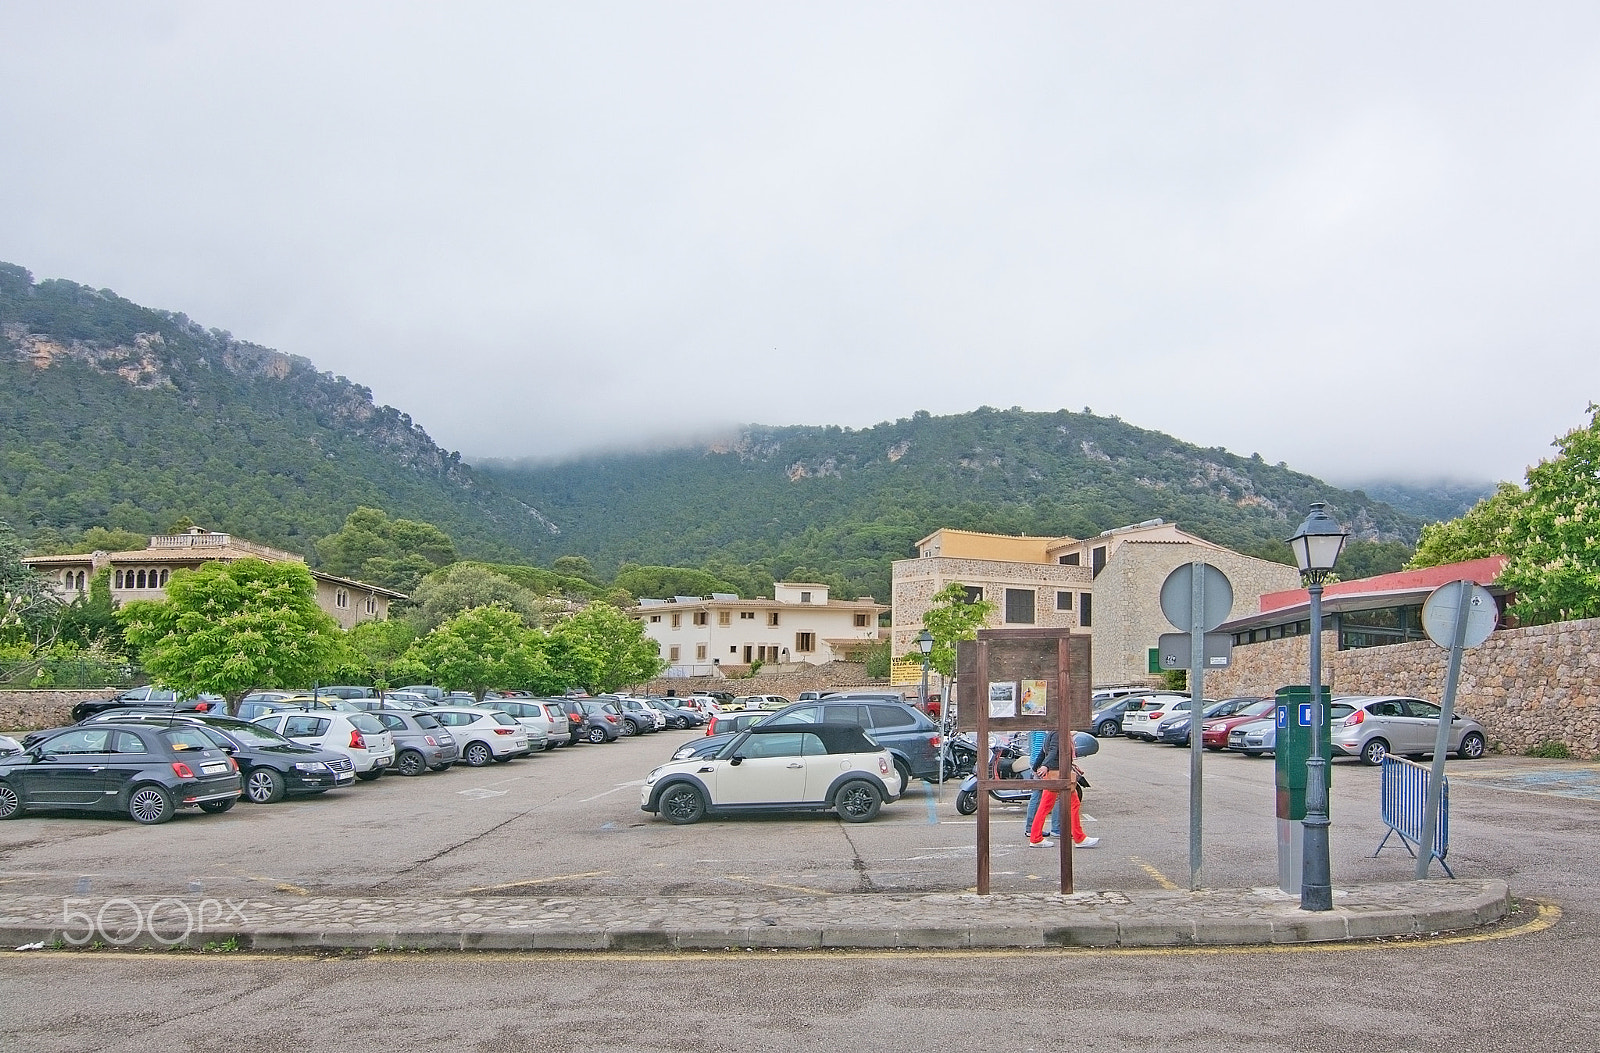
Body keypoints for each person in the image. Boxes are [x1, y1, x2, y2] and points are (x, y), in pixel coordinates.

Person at [1027, 730, 1098, 849]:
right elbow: (1054, 751)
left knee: (1048, 806)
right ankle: (1079, 838)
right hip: (1058, 773)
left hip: (1053, 773)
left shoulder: (1051, 733)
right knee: (1069, 805)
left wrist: (1036, 766)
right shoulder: (1058, 733)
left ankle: (1036, 837)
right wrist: (1045, 765)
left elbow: (1044, 752)